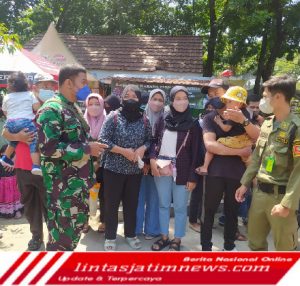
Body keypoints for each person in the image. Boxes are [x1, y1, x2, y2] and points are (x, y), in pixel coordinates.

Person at [36, 65, 107, 251]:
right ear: (68, 82)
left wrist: (93, 148)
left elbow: (78, 139)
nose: (87, 88)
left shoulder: (71, 107)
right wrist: (86, 148)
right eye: (83, 82)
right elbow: (48, 149)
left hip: (76, 189)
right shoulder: (51, 109)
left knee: (70, 239)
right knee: (61, 242)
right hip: (63, 192)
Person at [236, 75, 300, 251]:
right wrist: (245, 182)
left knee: (285, 249)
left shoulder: (296, 128)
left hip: (281, 196)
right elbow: (257, 156)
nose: (264, 100)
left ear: (278, 97)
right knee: (255, 244)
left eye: (266, 96)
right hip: (259, 194)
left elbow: (298, 171)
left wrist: (287, 204)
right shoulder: (267, 124)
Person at [201, 85, 259, 251]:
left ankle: (229, 246)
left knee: (232, 212)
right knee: (209, 210)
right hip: (215, 172)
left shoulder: (245, 116)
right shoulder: (210, 117)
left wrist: (244, 121)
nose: (236, 104)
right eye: (232, 100)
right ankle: (205, 247)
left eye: (239, 102)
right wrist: (240, 151)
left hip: (238, 174)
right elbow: (210, 146)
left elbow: (257, 136)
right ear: (225, 99)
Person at [99, 84, 151, 251]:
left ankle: (130, 234)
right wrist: (123, 152)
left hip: (134, 172)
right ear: (122, 99)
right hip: (113, 170)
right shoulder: (113, 116)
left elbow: (150, 140)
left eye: (134, 96)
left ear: (139, 99)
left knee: (131, 204)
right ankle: (110, 236)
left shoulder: (144, 119)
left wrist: (143, 148)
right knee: (111, 205)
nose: (130, 99)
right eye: (127, 96)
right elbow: (103, 140)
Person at [150, 86, 201, 251]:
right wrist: (152, 160)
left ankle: (177, 239)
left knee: (179, 206)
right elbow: (154, 141)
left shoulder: (193, 124)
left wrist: (193, 177)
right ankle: (164, 236)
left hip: (183, 171)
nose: (181, 101)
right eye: (177, 98)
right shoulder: (163, 119)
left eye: (184, 98)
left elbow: (196, 153)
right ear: (171, 101)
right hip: (162, 168)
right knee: (163, 204)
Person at [2, 127, 47, 250]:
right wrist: (18, 137)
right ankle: (36, 236)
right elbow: (5, 132)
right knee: (29, 205)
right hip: (22, 168)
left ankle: (55, 236)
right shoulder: (18, 110)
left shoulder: (46, 110)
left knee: (50, 204)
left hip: (46, 167)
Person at [197, 87, 253, 175]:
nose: (215, 98)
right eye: (210, 96)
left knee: (213, 147)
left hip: (236, 145)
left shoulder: (234, 113)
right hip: (244, 144)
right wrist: (241, 152)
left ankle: (205, 167)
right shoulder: (246, 113)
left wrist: (219, 122)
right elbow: (209, 145)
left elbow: (226, 129)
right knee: (250, 165)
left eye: (217, 94)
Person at [136, 88, 166, 239]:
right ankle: (135, 229)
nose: (157, 103)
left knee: (155, 198)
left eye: (161, 100)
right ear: (148, 100)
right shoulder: (140, 117)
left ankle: (152, 229)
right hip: (138, 165)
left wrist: (152, 163)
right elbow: (137, 141)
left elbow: (163, 144)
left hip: (158, 165)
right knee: (138, 197)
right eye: (155, 99)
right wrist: (144, 163)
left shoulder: (166, 119)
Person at [0, 72, 42, 175]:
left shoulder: (7, 97)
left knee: (13, 142)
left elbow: (5, 111)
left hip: (10, 122)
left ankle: (5, 158)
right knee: (34, 142)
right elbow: (37, 107)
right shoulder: (29, 95)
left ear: (9, 85)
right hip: (25, 122)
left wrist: (12, 117)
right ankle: (36, 165)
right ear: (27, 84)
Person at [82, 93, 106, 233]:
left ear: (102, 104)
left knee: (104, 194)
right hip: (84, 163)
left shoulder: (107, 120)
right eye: (90, 104)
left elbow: (108, 143)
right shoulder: (82, 121)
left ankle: (104, 221)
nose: (93, 107)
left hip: (103, 165)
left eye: (97, 103)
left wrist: (98, 162)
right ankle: (84, 222)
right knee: (84, 193)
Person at [0, 144, 23, 219]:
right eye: (5, 152)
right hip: (3, 185)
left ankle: (17, 211)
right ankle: (5, 211)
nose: (7, 154)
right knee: (5, 198)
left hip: (13, 183)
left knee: (14, 198)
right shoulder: (1, 161)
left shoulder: (14, 160)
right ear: (1, 153)